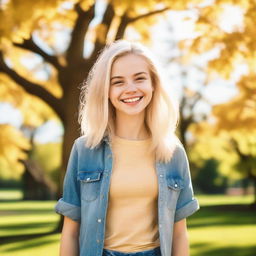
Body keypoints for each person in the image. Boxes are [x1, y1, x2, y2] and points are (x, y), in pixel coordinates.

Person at [55, 40, 200, 256]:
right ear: (105, 90)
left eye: (139, 78)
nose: (130, 89)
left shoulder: (173, 152)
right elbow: (70, 233)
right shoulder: (84, 150)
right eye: (118, 82)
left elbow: (179, 234)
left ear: (154, 84)